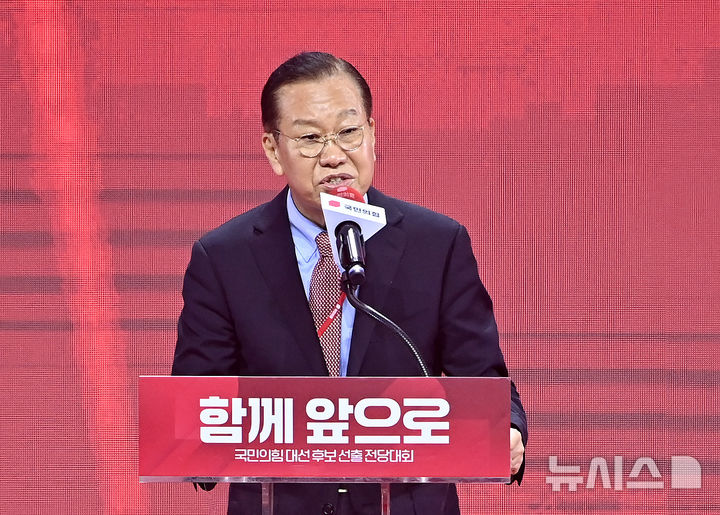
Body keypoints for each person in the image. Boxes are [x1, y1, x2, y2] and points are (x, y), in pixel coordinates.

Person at [172, 51, 527, 515]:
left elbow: (481, 377)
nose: (334, 155)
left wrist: (507, 429)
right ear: (273, 150)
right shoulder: (224, 257)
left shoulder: (436, 243)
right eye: (310, 138)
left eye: (348, 131)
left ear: (373, 135)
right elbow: (198, 399)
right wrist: (199, 444)